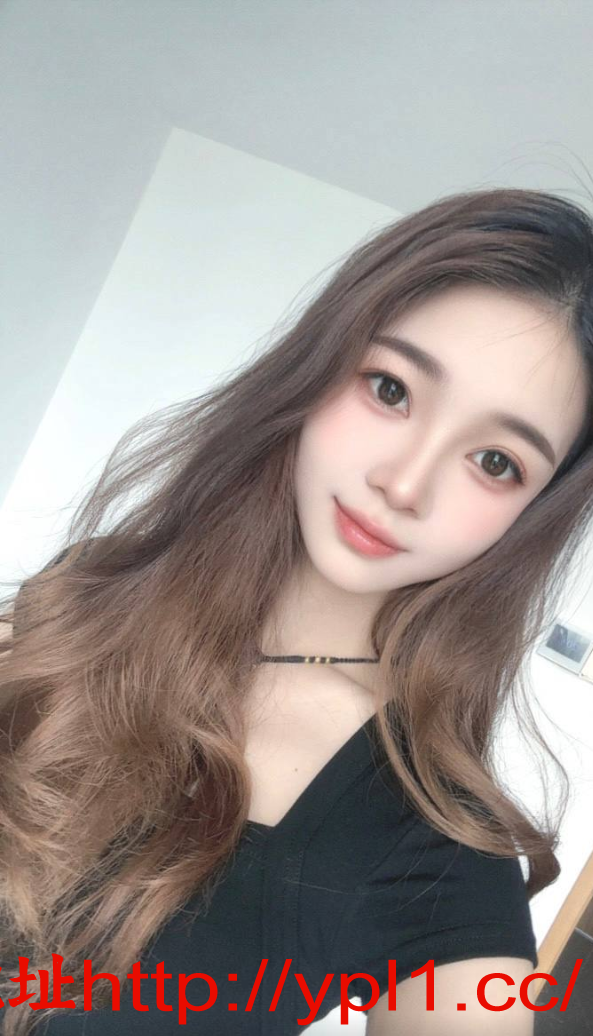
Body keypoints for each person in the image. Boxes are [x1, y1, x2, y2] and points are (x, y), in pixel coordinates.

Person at [0, 187, 592, 1036]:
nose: (404, 483)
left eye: (494, 461)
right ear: (317, 368)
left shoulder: (436, 852)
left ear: (530, 514)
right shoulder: (89, 591)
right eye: (389, 388)